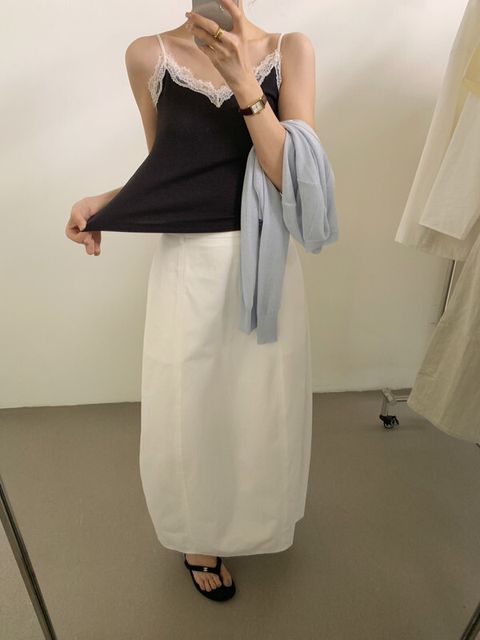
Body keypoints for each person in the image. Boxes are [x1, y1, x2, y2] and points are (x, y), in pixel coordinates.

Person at [65, 0, 317, 602]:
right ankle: (198, 533)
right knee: (191, 402)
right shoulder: (148, 55)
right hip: (187, 261)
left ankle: (257, 518)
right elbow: (168, 167)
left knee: (262, 399)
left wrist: (241, 79)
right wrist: (106, 203)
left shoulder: (291, 49)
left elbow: (289, 175)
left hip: (264, 254)